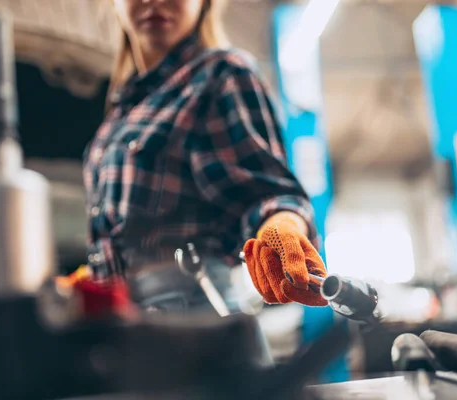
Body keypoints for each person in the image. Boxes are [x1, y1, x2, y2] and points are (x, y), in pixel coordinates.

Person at [78, 0, 328, 313]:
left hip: (197, 319)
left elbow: (270, 194)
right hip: (120, 322)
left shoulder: (222, 73)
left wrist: (281, 225)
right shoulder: (120, 111)